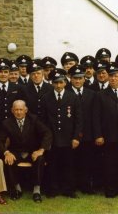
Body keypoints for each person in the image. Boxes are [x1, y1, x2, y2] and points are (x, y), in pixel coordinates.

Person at [0, 100, 52, 202]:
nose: (18, 112)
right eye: (16, 110)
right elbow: (0, 141)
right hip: (16, 151)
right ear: (12, 110)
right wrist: (6, 152)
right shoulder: (6, 123)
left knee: (40, 159)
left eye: (21, 110)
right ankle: (17, 189)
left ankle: (37, 191)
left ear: (26, 110)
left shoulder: (34, 120)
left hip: (32, 151)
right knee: (9, 160)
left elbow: (47, 133)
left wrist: (41, 150)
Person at [41, 68, 82, 198]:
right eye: (55, 82)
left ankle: (69, 189)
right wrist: (46, 139)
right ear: (51, 83)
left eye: (61, 82)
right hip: (52, 138)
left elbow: (78, 120)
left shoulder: (72, 97)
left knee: (69, 164)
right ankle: (53, 189)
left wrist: (76, 137)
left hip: (68, 138)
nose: (58, 85)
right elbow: (43, 120)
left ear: (65, 82)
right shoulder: (46, 98)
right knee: (52, 164)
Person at [67, 65, 96, 194]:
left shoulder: (92, 94)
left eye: (80, 78)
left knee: (86, 161)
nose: (77, 81)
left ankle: (85, 186)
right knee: (71, 161)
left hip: (88, 134)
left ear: (84, 78)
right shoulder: (66, 93)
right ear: (70, 79)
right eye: (75, 78)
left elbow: (95, 115)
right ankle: (72, 186)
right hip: (71, 135)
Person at [93, 62, 118, 198]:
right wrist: (98, 135)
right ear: (108, 77)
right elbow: (96, 117)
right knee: (110, 165)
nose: (113, 78)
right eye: (111, 76)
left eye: (116, 76)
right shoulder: (101, 95)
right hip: (109, 136)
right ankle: (111, 190)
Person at [0, 58, 26, 132]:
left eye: (6, 72)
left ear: (9, 73)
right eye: (0, 72)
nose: (3, 74)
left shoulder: (18, 88)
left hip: (14, 127)